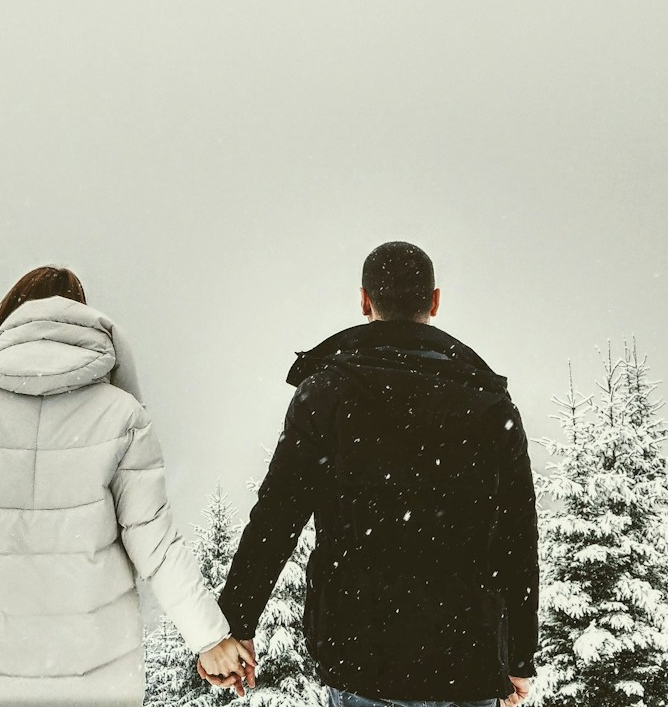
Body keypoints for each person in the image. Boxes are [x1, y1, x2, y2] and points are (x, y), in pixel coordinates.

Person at [200, 241, 539, 707]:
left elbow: (276, 519)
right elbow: (517, 540)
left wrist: (235, 626)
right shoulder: (490, 406)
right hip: (465, 656)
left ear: (364, 301)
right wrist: (520, 656)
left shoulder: (326, 395)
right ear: (434, 302)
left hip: (361, 654)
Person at [0, 265, 255, 706]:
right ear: (80, 319)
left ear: (9, 320)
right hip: (98, 675)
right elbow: (156, 547)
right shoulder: (121, 415)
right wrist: (210, 639)